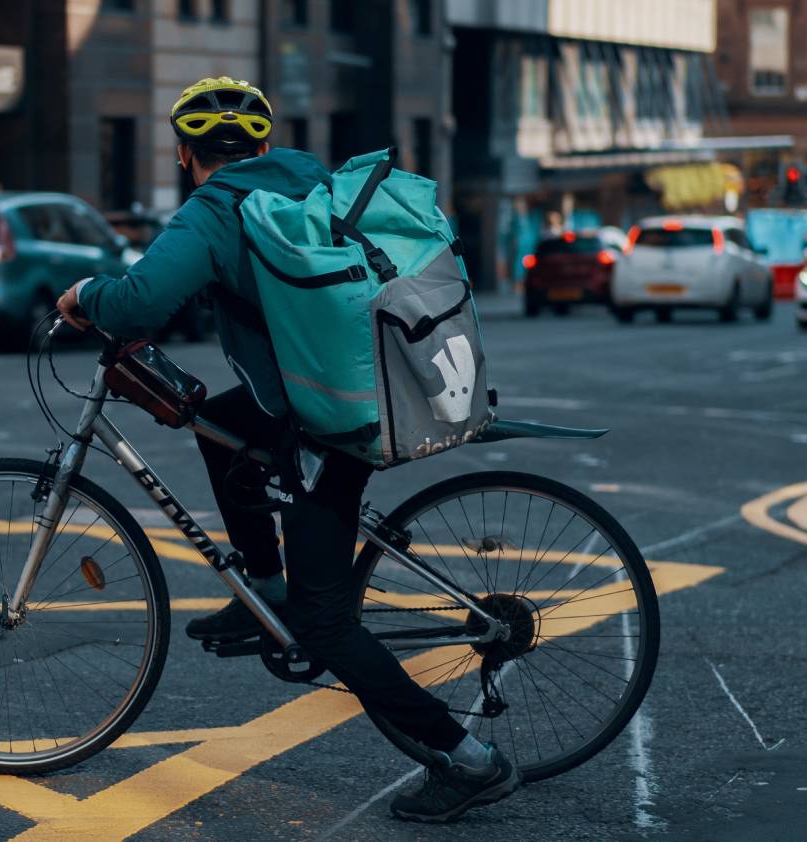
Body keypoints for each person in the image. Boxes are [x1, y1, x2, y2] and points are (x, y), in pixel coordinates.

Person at [57, 77, 521, 822]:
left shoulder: (214, 209)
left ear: (184, 153)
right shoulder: (309, 178)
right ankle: (263, 588)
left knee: (326, 622)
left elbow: (141, 301)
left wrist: (84, 296)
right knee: (215, 428)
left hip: (324, 424)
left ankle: (469, 760)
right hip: (336, 394)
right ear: (265, 144)